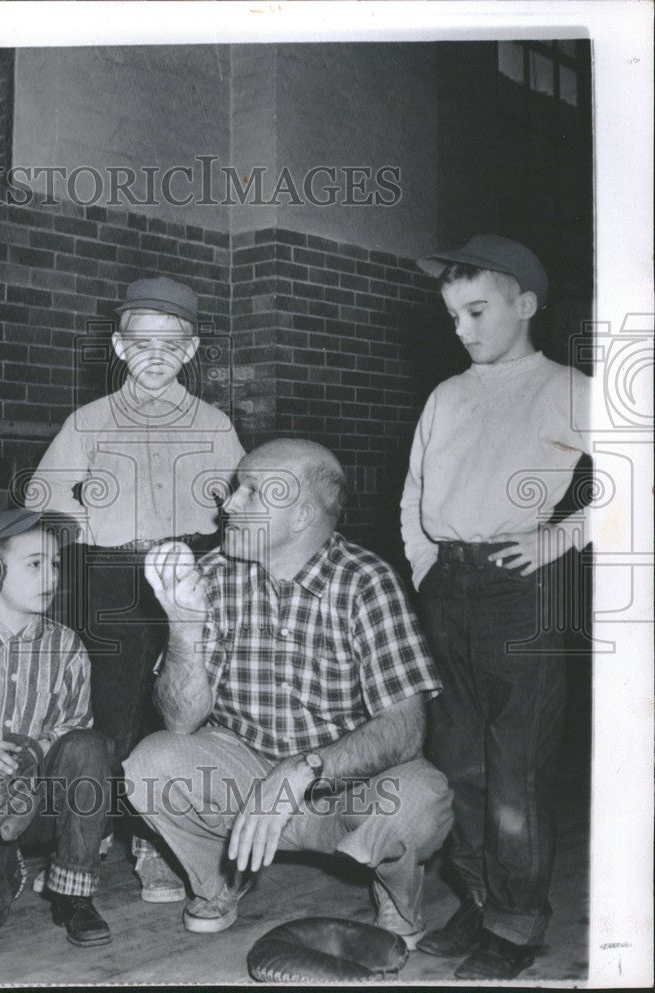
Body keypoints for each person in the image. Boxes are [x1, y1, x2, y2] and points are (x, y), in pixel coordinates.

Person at [122, 439, 453, 947]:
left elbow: (405, 729)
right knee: (151, 763)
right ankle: (221, 881)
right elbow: (180, 723)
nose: (228, 503)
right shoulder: (211, 575)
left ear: (300, 515)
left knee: (419, 800)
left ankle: (396, 896)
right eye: (235, 488)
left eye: (251, 492)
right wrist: (184, 626)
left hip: (341, 788)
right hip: (244, 779)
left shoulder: (366, 582)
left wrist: (304, 769)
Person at [401, 235, 590, 980]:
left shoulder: (568, 387)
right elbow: (415, 493)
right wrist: (424, 568)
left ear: (526, 304)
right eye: (452, 315)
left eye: (477, 310)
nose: (462, 329)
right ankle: (479, 900)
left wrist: (562, 538)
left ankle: (516, 923)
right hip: (447, 587)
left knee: (516, 769)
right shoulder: (447, 394)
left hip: (520, 594)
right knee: (458, 764)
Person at [26, 276, 245, 902]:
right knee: (113, 713)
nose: (155, 355)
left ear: (192, 349)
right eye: (142, 342)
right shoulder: (87, 422)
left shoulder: (215, 424)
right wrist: (72, 535)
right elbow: (48, 505)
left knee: (176, 716)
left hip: (188, 574)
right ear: (120, 347)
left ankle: (161, 848)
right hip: (113, 576)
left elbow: (241, 511)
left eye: (171, 343)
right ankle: (87, 839)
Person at [0, 508, 115, 948]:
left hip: (42, 796)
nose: (51, 576)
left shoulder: (66, 646)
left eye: (55, 564)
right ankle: (8, 865)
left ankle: (73, 893)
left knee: (90, 746)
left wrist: (30, 753)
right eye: (35, 564)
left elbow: (76, 735)